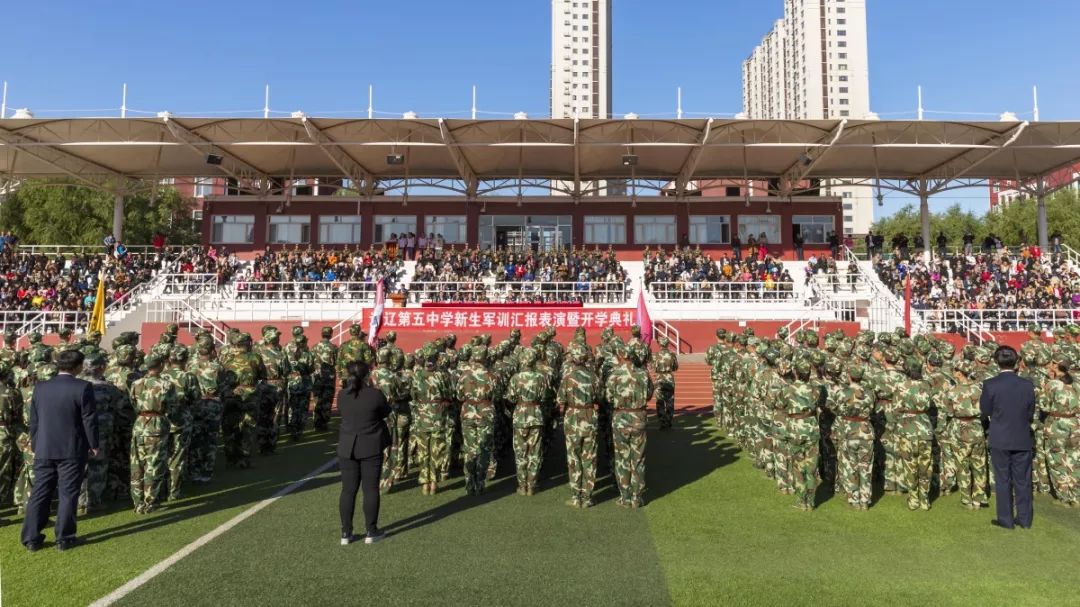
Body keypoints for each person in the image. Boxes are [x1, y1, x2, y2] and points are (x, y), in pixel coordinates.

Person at [21, 350, 98, 552]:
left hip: (45, 447)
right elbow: (88, 419)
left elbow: (35, 422)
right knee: (68, 493)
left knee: (40, 492)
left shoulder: (41, 387)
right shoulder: (83, 387)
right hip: (71, 448)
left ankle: (31, 538)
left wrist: (37, 445)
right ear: (78, 366)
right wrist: (94, 444)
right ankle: (64, 537)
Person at [980, 346, 1036, 529]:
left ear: (997, 362)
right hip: (1021, 437)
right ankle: (1025, 519)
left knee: (1003, 480)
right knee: (1023, 481)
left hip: (1000, 438)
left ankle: (1006, 520)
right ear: (1016, 361)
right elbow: (1030, 412)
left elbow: (985, 411)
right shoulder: (1027, 385)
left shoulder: (990, 384)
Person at [336, 360, 390, 545]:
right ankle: (371, 531)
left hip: (347, 446)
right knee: (370, 489)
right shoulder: (374, 395)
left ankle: (346, 532)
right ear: (368, 375)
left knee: (348, 490)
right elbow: (385, 412)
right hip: (370, 445)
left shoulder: (342, 395)